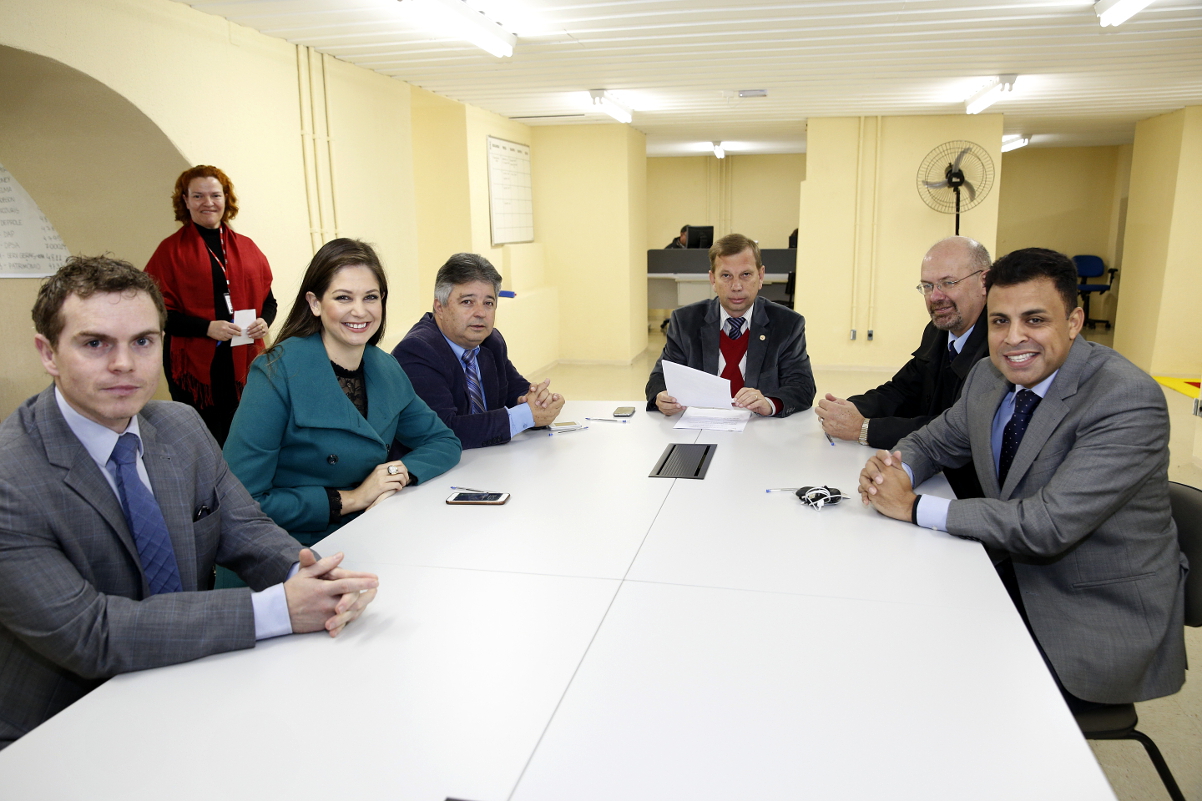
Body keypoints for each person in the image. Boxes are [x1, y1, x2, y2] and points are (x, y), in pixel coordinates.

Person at [0, 255, 378, 750]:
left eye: (143, 341)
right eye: (95, 343)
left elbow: (246, 528)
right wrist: (279, 610)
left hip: (194, 682)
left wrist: (311, 579)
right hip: (60, 728)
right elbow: (90, 634)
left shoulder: (179, 426)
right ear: (48, 354)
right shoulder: (12, 476)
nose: (123, 364)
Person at [858, 247, 1186, 708]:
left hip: (1090, 613)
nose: (1013, 338)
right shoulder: (988, 377)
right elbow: (933, 441)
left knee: (937, 691)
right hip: (1004, 570)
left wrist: (912, 506)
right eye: (999, 321)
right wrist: (894, 470)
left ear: (1074, 322)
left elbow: (1047, 525)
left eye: (1035, 320)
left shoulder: (1125, 398)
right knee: (884, 635)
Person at [224, 239, 461, 546]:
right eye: (343, 297)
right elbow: (242, 502)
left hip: (365, 534)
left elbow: (443, 441)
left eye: (371, 297)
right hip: (285, 551)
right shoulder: (275, 372)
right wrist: (352, 498)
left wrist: (393, 475)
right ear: (315, 303)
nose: (360, 311)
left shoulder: (385, 368)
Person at [816, 236, 990, 498]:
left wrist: (864, 429)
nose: (936, 296)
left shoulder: (999, 346)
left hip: (968, 490)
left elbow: (956, 428)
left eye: (948, 282)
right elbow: (902, 390)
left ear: (984, 282)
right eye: (928, 286)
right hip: (933, 476)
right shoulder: (937, 331)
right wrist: (849, 408)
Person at [145, 165, 276, 446]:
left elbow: (269, 301)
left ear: (226, 199)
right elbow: (153, 312)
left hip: (242, 357)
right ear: (185, 201)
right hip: (194, 364)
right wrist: (206, 328)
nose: (208, 203)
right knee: (204, 438)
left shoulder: (247, 247)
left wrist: (265, 321)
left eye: (215, 195)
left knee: (243, 430)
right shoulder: (170, 251)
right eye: (198, 196)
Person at [392, 253, 565, 449]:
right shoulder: (418, 351)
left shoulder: (491, 341)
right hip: (438, 474)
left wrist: (536, 400)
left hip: (486, 464)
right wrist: (526, 415)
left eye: (488, 303)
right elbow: (445, 430)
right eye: (467, 302)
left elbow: (513, 388)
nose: (481, 313)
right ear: (439, 307)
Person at [646, 233, 815, 418]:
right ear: (712, 279)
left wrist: (770, 403)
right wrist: (661, 396)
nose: (736, 286)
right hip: (701, 426)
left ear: (760, 276)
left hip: (760, 431)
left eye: (746, 275)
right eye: (726, 275)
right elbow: (660, 377)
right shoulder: (685, 321)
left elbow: (802, 386)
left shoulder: (788, 324)